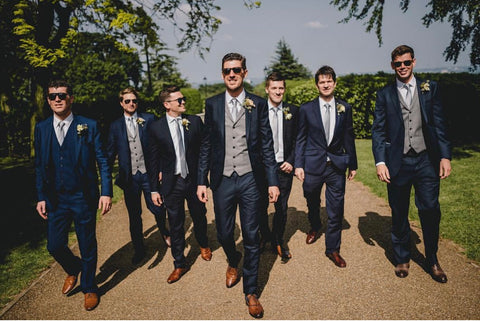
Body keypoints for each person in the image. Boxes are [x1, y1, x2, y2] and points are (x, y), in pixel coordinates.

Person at [197, 53, 280, 319]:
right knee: (223, 234)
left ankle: (251, 291)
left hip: (250, 179)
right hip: (222, 179)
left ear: (244, 72)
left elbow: (267, 144)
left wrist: (272, 181)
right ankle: (233, 260)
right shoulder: (212, 104)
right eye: (226, 71)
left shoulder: (258, 103)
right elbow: (206, 145)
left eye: (236, 70)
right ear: (222, 75)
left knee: (252, 235)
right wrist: (201, 180)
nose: (231, 74)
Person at [371, 44, 452, 283]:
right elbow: (378, 131)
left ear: (413, 62)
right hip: (398, 161)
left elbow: (439, 124)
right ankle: (402, 257)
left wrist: (445, 155)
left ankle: (433, 259)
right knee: (399, 212)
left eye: (407, 62)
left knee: (430, 209)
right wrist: (380, 161)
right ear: (392, 66)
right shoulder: (384, 94)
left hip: (426, 160)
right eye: (398, 64)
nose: (403, 67)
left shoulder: (430, 88)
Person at [34, 79, 112, 311]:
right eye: (52, 96)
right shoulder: (41, 128)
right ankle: (73, 268)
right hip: (55, 199)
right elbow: (39, 165)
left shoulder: (88, 125)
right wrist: (40, 196)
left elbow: (103, 161)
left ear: (71, 98)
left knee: (87, 243)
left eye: (62, 95)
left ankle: (89, 287)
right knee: (54, 246)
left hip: (83, 197)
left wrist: (106, 192)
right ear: (48, 101)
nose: (57, 99)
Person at [294, 66, 357, 268]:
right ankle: (314, 224)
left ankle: (333, 249)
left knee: (336, 209)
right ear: (317, 85)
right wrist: (299, 165)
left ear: (335, 83)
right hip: (313, 164)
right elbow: (301, 138)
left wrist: (352, 164)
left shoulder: (345, 108)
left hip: (336, 166)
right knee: (311, 197)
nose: (326, 84)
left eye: (329, 81)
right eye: (322, 82)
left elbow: (349, 136)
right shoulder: (306, 109)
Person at [148, 85, 212, 284]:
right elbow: (152, 159)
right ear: (167, 105)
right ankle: (179, 263)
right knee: (175, 224)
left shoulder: (194, 121)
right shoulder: (155, 127)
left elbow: (204, 151)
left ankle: (203, 243)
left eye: (183, 99)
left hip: (193, 181)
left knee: (199, 215)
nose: (183, 102)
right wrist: (153, 189)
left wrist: (202, 180)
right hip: (171, 183)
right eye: (179, 100)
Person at [107, 87, 171, 265]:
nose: (131, 103)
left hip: (149, 174)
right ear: (121, 103)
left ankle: (164, 231)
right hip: (130, 178)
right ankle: (139, 248)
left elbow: (161, 144)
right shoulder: (115, 126)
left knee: (158, 207)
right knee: (134, 216)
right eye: (127, 101)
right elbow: (110, 153)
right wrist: (106, 180)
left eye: (134, 100)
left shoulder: (149, 119)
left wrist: (160, 169)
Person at [258, 72, 299, 261]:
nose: (278, 91)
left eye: (281, 88)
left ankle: (278, 239)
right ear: (267, 89)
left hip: (284, 167)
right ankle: (264, 236)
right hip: (262, 168)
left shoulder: (293, 110)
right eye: (274, 88)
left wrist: (291, 161)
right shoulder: (257, 110)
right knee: (259, 206)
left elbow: (298, 139)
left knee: (281, 208)